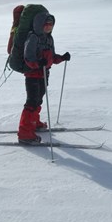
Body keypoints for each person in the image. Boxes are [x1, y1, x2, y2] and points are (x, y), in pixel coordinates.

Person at [18, 11, 70, 144]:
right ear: (40, 24)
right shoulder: (33, 37)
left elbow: (51, 58)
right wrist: (37, 63)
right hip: (32, 75)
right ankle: (25, 133)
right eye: (46, 24)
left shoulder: (49, 39)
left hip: (44, 74)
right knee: (31, 102)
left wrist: (62, 58)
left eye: (51, 24)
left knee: (38, 100)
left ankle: (34, 123)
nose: (48, 27)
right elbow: (28, 57)